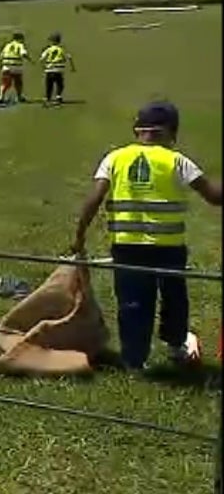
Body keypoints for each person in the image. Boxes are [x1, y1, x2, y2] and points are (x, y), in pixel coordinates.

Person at [71, 102, 221, 370]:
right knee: (174, 298)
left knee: (132, 303)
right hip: (168, 248)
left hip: (127, 248)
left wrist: (79, 236)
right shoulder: (176, 160)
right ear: (172, 133)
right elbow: (213, 196)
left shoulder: (114, 158)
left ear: (137, 130)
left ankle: (134, 361)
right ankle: (177, 347)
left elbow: (94, 199)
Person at [39, 32, 76, 106]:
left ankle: (47, 99)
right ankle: (58, 96)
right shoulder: (61, 49)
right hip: (59, 70)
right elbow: (69, 58)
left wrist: (43, 66)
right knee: (60, 84)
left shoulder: (48, 49)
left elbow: (42, 59)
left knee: (49, 85)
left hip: (49, 70)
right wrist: (72, 67)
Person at [0, 31, 30, 105]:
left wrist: (1, 65)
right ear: (19, 38)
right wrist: (30, 59)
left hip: (6, 66)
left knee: (5, 83)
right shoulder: (20, 45)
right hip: (16, 67)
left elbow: (1, 55)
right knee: (18, 82)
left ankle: (1, 96)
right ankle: (19, 96)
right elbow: (23, 53)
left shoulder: (7, 45)